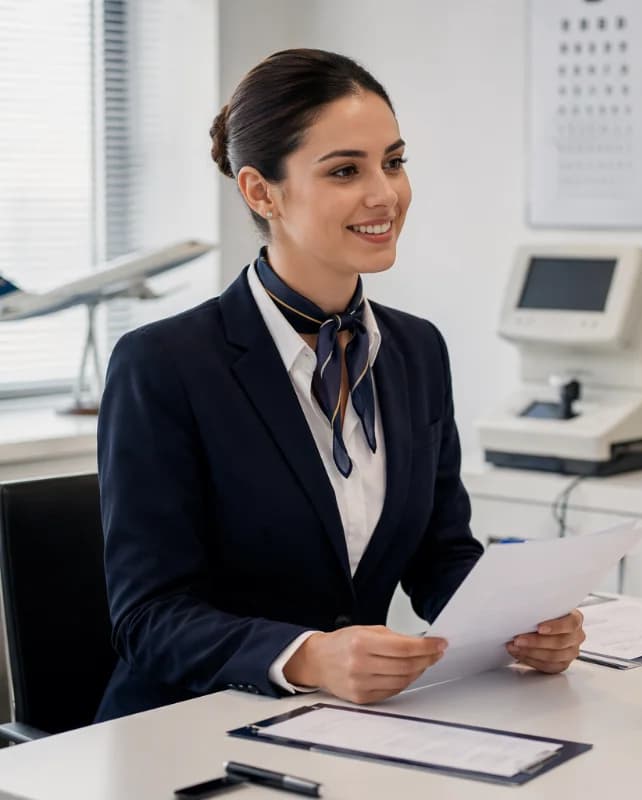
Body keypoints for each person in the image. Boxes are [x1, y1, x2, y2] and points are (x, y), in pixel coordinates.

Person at [96, 49, 584, 721]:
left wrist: (519, 623)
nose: (385, 194)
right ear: (261, 192)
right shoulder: (162, 364)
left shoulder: (417, 350)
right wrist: (307, 656)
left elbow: (440, 555)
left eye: (394, 162)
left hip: (347, 727)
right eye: (345, 171)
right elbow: (148, 617)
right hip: (186, 728)